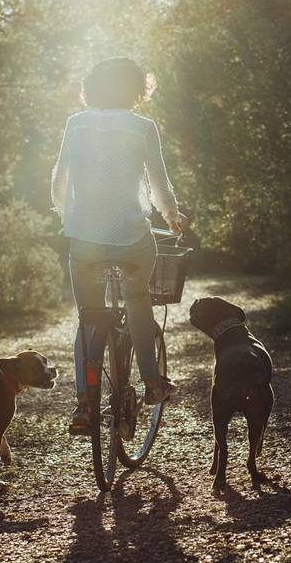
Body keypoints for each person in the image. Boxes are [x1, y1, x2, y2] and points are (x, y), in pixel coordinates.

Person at [51, 57, 189, 430]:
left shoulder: (75, 124)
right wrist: (173, 217)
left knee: (89, 316)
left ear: (93, 86)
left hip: (84, 241)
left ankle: (82, 405)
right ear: (136, 88)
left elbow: (59, 183)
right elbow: (160, 185)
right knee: (138, 297)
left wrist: (70, 219)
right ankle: (152, 382)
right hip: (132, 239)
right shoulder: (143, 127)